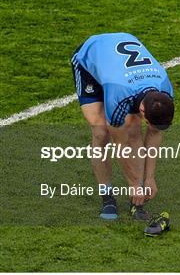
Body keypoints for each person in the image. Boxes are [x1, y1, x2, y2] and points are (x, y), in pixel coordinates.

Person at [71, 32, 174, 220]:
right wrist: (134, 185)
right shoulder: (119, 97)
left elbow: (154, 133)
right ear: (142, 110)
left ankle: (137, 203)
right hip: (91, 58)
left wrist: (149, 178)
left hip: (120, 68)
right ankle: (107, 195)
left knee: (134, 129)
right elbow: (122, 146)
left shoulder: (165, 89)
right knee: (101, 132)